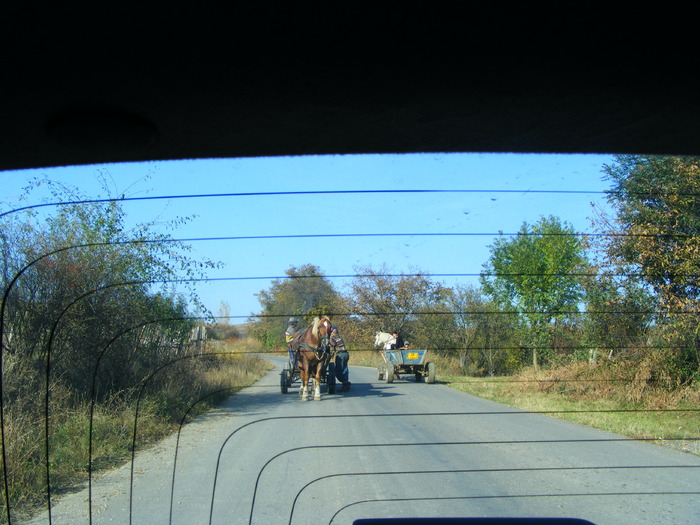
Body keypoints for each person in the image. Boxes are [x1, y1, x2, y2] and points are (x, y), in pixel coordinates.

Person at [329, 326, 351, 392]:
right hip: (346, 353)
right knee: (344, 369)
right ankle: (346, 383)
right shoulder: (339, 336)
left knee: (338, 370)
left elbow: (331, 345)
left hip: (340, 354)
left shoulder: (333, 337)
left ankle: (345, 383)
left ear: (332, 332)